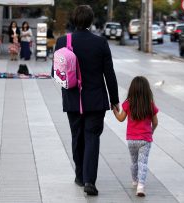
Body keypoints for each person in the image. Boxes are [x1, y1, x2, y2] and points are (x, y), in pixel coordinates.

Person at [52, 5, 119, 196]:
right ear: (91, 21)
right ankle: (90, 181)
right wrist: (114, 100)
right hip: (96, 101)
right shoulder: (100, 43)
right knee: (92, 138)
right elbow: (109, 74)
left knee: (77, 136)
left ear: (74, 20)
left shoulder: (63, 41)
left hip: (73, 99)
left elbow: (55, 73)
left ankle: (80, 175)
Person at [113, 76, 158, 197]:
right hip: (145, 140)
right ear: (147, 90)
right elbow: (155, 122)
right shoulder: (150, 104)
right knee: (143, 162)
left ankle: (134, 180)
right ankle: (141, 186)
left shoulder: (128, 103)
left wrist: (115, 111)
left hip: (132, 139)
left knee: (134, 161)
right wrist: (151, 131)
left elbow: (121, 118)